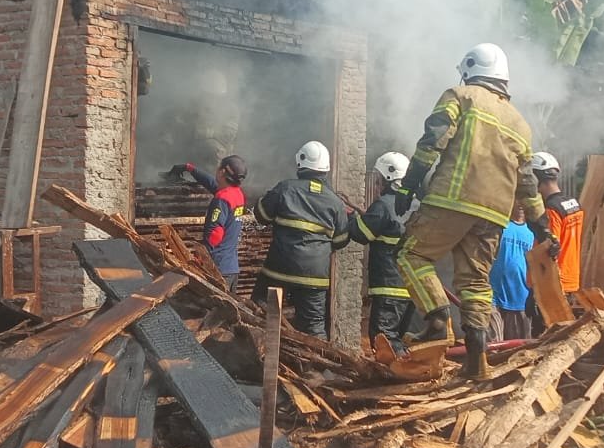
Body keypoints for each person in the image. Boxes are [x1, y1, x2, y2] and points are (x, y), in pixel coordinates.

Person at [395, 43, 552, 381]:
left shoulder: (460, 95)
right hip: (493, 216)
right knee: (476, 283)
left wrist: (408, 186)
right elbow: (527, 183)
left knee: (411, 255)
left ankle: (437, 320)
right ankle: (477, 360)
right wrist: (541, 225)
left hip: (452, 200)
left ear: (469, 69)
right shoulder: (521, 124)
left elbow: (432, 142)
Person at [253, 141, 351, 339]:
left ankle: (262, 352)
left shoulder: (285, 188)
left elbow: (261, 215)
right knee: (313, 327)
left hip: (278, 270)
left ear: (300, 163)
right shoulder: (335, 202)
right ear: (325, 168)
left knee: (262, 312)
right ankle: (318, 359)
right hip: (314, 275)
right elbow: (341, 240)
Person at [349, 152, 418, 350]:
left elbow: (361, 234)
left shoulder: (384, 205)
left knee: (384, 341)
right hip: (413, 289)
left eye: (378, 179)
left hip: (390, 287)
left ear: (386, 178)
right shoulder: (416, 205)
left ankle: (393, 370)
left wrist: (350, 217)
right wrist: (363, 213)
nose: (377, 184)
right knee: (400, 339)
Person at [167, 155, 249, 292]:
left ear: (222, 172)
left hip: (217, 270)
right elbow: (212, 184)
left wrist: (200, 257)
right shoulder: (237, 194)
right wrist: (190, 169)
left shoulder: (221, 200)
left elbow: (215, 234)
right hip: (231, 269)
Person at [531, 153, 583, 296]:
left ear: (535, 178)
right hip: (570, 277)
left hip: (553, 283)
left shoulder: (551, 209)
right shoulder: (574, 204)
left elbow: (549, 248)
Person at [490, 206, 535, 341]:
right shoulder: (499, 226)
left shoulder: (533, 233)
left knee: (519, 347)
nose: (521, 205)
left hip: (520, 299)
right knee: (492, 346)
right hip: (493, 297)